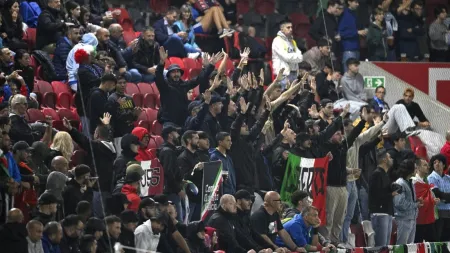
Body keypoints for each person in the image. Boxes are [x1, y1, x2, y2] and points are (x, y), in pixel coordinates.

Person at [63, 114, 116, 219]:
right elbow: (106, 133)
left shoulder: (98, 147)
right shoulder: (112, 147)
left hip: (97, 189)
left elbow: (84, 141)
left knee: (96, 217)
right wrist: (106, 125)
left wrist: (71, 129)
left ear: (96, 134)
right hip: (108, 189)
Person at [155, 46, 218, 127]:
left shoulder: (184, 85)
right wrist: (161, 62)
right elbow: (158, 77)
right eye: (173, 72)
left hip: (183, 122)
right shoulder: (165, 86)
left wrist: (210, 66)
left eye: (178, 72)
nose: (176, 74)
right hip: (169, 122)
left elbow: (199, 79)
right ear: (169, 75)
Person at [73, 45, 103, 138]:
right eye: (90, 55)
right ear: (84, 57)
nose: (93, 56)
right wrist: (106, 78)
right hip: (85, 105)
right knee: (88, 133)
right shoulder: (82, 71)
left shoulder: (94, 67)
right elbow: (95, 81)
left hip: (94, 104)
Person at [369, 149, 396, 246]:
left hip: (387, 212)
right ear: (385, 159)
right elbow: (375, 195)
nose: (391, 159)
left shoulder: (385, 174)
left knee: (386, 246)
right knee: (381, 246)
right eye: (389, 157)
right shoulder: (376, 174)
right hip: (379, 213)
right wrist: (391, 194)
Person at [107, 74, 139, 155]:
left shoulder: (130, 98)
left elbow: (133, 118)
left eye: (124, 83)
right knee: (121, 156)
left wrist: (136, 115)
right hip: (118, 133)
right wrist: (132, 114)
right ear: (115, 84)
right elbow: (116, 117)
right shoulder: (112, 98)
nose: (122, 85)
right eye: (120, 83)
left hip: (129, 132)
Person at [159, 125, 184, 222]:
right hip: (171, 192)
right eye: (176, 133)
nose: (178, 135)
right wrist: (178, 189)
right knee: (177, 221)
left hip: (171, 190)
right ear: (170, 135)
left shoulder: (169, 150)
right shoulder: (167, 152)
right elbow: (168, 172)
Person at [393, 159, 422, 244]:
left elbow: (408, 200)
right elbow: (399, 203)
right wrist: (416, 204)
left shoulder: (410, 183)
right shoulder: (399, 183)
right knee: (402, 247)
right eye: (415, 168)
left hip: (412, 218)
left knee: (410, 248)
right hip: (403, 219)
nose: (416, 170)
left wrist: (416, 200)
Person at [412, 157, 438, 243]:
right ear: (418, 167)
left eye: (428, 165)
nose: (428, 167)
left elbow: (428, 197)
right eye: (425, 165)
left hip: (429, 218)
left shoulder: (425, 181)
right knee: (418, 243)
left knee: (433, 242)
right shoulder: (413, 182)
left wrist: (434, 200)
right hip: (418, 219)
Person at [272, 21, 303, 89]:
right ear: (282, 29)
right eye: (288, 27)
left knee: (293, 96)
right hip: (283, 75)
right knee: (284, 96)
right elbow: (286, 57)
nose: (291, 29)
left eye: (291, 27)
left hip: (294, 73)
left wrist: (294, 57)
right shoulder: (277, 41)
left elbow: (301, 57)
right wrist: (296, 57)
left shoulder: (292, 41)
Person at [427, 154, 450, 241]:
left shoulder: (448, 178)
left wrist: (444, 198)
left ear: (444, 164)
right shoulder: (431, 178)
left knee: (447, 238)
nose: (436, 164)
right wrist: (445, 197)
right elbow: (437, 193)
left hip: (448, 210)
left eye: (439, 162)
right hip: (438, 211)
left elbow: (442, 195)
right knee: (438, 237)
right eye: (434, 162)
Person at [338, 0, 365, 72]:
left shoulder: (355, 14)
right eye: (356, 2)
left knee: (354, 76)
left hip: (356, 49)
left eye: (358, 2)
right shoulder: (344, 14)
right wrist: (357, 32)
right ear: (349, 2)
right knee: (348, 75)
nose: (358, 4)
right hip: (348, 50)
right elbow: (341, 33)